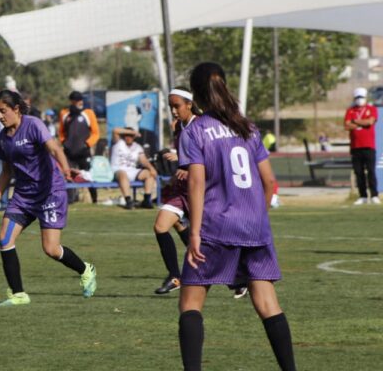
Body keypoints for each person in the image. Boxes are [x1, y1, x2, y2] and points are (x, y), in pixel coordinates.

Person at [178, 62, 296, 371]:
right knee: (268, 303)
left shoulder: (197, 130)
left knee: (191, 304)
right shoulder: (248, 127)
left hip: (216, 225)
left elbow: (196, 182)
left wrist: (194, 233)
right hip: (254, 227)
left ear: (196, 95)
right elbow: (269, 181)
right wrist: (257, 215)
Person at [0, 90, 97, 306]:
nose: (0, 116)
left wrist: (65, 169)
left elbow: (54, 148)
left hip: (49, 193)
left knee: (51, 249)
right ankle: (19, 294)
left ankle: (85, 269)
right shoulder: (3, 139)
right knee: (4, 239)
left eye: (3, 111)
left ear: (16, 109)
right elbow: (7, 171)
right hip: (23, 196)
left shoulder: (33, 125)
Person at [152, 88, 199, 294]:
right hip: (181, 191)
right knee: (161, 226)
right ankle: (175, 275)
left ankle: (237, 278)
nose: (173, 110)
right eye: (171, 107)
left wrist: (181, 162)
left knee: (213, 243)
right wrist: (176, 174)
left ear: (189, 104)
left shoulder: (201, 126)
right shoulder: (179, 127)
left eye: (177, 106)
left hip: (200, 190)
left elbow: (207, 159)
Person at [59, 91, 100, 204]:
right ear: (72, 101)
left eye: (81, 99)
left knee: (87, 175)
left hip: (83, 151)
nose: (80, 102)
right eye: (77, 100)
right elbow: (61, 132)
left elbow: (96, 133)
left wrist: (87, 144)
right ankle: (70, 199)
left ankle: (94, 199)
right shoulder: (64, 113)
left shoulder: (88, 113)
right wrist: (64, 143)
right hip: (69, 152)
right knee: (69, 175)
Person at [344, 87, 380, 205]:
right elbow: (347, 126)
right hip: (355, 146)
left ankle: (374, 195)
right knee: (358, 173)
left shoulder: (372, 109)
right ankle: (363, 196)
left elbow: (370, 122)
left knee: (371, 171)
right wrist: (361, 122)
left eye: (362, 97)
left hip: (369, 146)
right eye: (358, 97)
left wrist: (355, 121)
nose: (360, 100)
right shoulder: (350, 110)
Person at [110, 127, 157, 209]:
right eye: (126, 135)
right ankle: (128, 201)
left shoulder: (138, 147)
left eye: (131, 135)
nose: (128, 137)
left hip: (132, 171)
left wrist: (151, 168)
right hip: (117, 170)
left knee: (149, 174)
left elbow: (143, 160)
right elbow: (115, 130)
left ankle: (146, 200)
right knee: (123, 174)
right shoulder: (118, 143)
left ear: (134, 137)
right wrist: (133, 132)